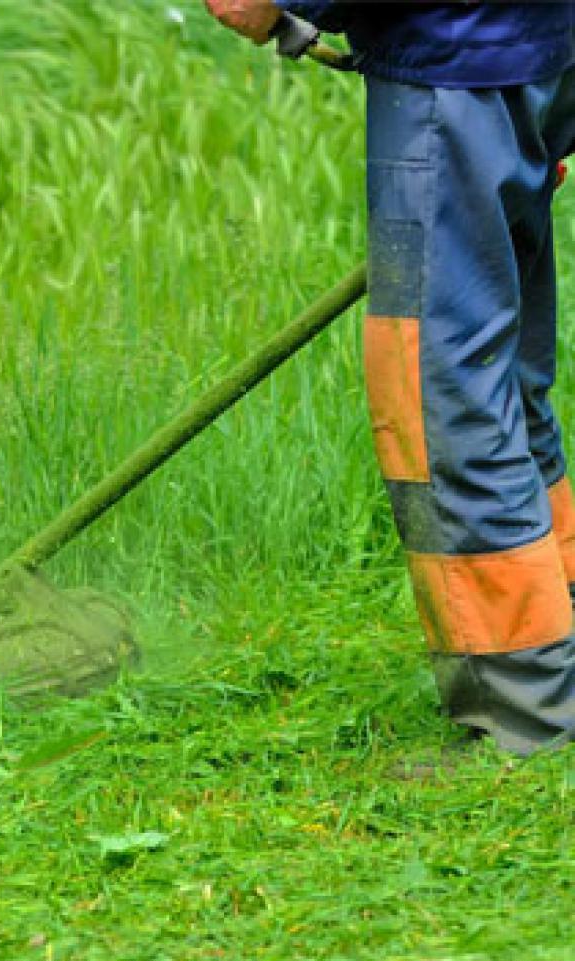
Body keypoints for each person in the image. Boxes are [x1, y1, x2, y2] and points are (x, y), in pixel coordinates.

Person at [202, 1, 575, 754]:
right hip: (531, 48)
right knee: (501, 381)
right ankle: (554, 639)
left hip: (456, 58)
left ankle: (523, 716)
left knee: (442, 401)